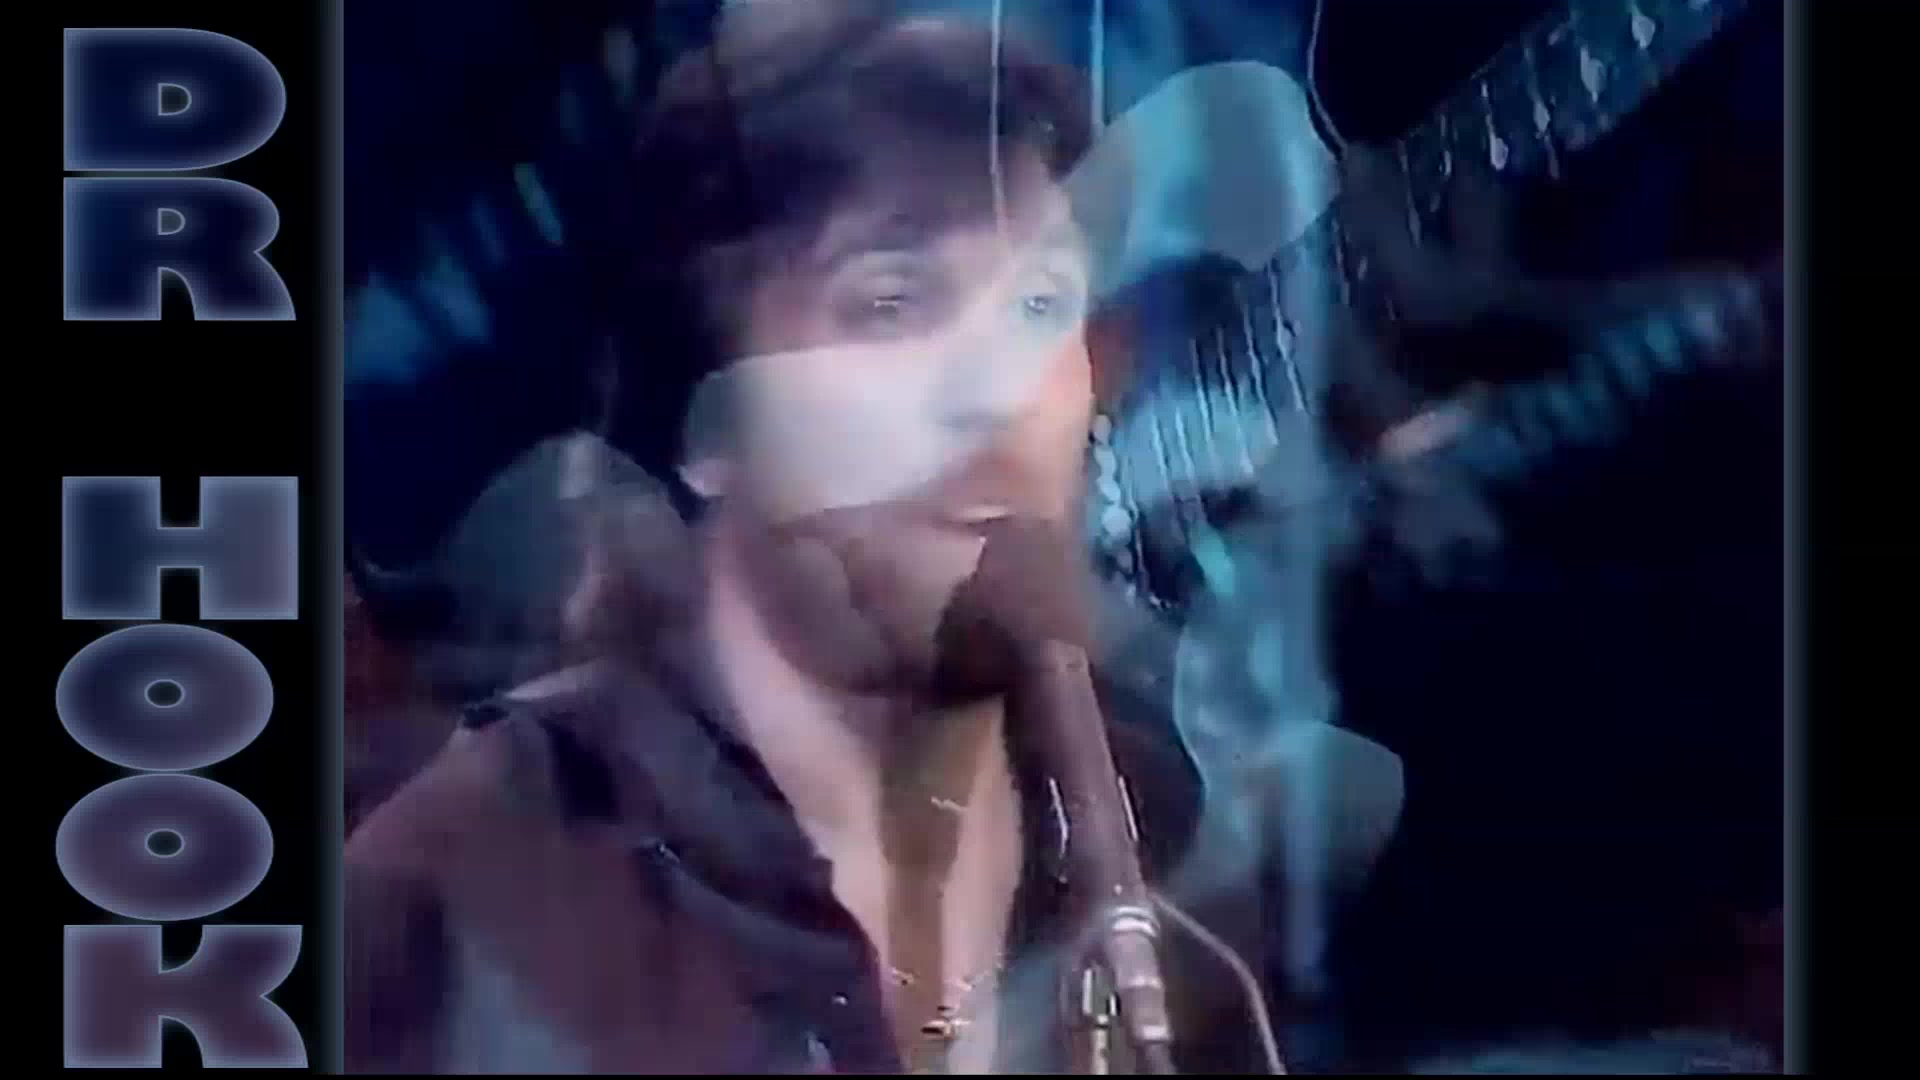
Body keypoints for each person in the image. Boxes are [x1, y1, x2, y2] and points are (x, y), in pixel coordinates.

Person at [345, 2, 1415, 1072]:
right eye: (892, 304)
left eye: (1039, 307)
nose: (998, 393)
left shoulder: (1176, 852)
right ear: (707, 421)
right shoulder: (463, 891)